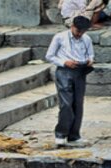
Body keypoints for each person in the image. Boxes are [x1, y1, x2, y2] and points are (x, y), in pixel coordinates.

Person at [46, 16, 95, 147]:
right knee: (66, 104)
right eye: (78, 31)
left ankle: (74, 135)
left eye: (82, 32)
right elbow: (49, 56)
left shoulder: (87, 39)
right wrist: (64, 62)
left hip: (80, 71)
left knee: (78, 104)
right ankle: (61, 133)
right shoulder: (60, 37)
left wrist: (90, 60)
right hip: (64, 71)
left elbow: (90, 54)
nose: (80, 34)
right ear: (72, 26)